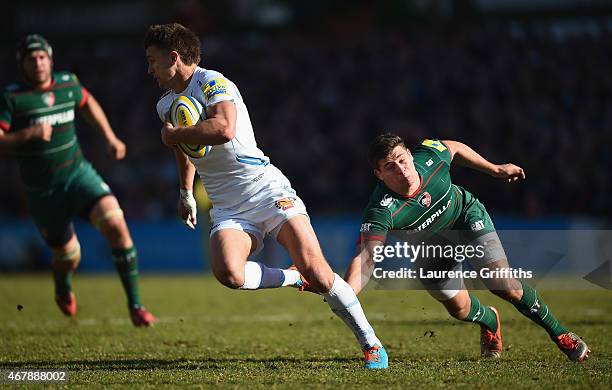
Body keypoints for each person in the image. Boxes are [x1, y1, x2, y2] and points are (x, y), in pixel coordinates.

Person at [144, 23, 387, 368]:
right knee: (229, 273)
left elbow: (224, 130)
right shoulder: (165, 105)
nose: (149, 69)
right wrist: (186, 191)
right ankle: (291, 277)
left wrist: (175, 135)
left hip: (265, 189)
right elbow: (184, 147)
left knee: (320, 273)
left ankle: (372, 344)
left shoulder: (213, 83)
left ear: (174, 57)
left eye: (153, 61)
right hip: (227, 204)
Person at [344, 133, 590, 361]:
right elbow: (366, 258)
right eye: (390, 166)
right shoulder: (381, 210)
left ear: (409, 153)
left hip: (466, 217)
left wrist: (494, 169)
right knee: (460, 309)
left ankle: (560, 334)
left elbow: (455, 148)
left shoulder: (430, 157)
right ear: (378, 174)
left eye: (401, 159)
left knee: (502, 284)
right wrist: (344, 296)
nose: (401, 169)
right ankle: (489, 320)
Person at [0, 34, 155, 326]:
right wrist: (28, 135)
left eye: (42, 57)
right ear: (22, 64)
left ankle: (136, 306)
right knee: (69, 256)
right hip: (43, 191)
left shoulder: (67, 84)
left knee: (116, 224)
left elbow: (88, 102)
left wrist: (109, 137)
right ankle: (62, 284)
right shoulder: (12, 97)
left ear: (50, 59)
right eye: (31, 59)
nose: (38, 63)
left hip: (78, 174)